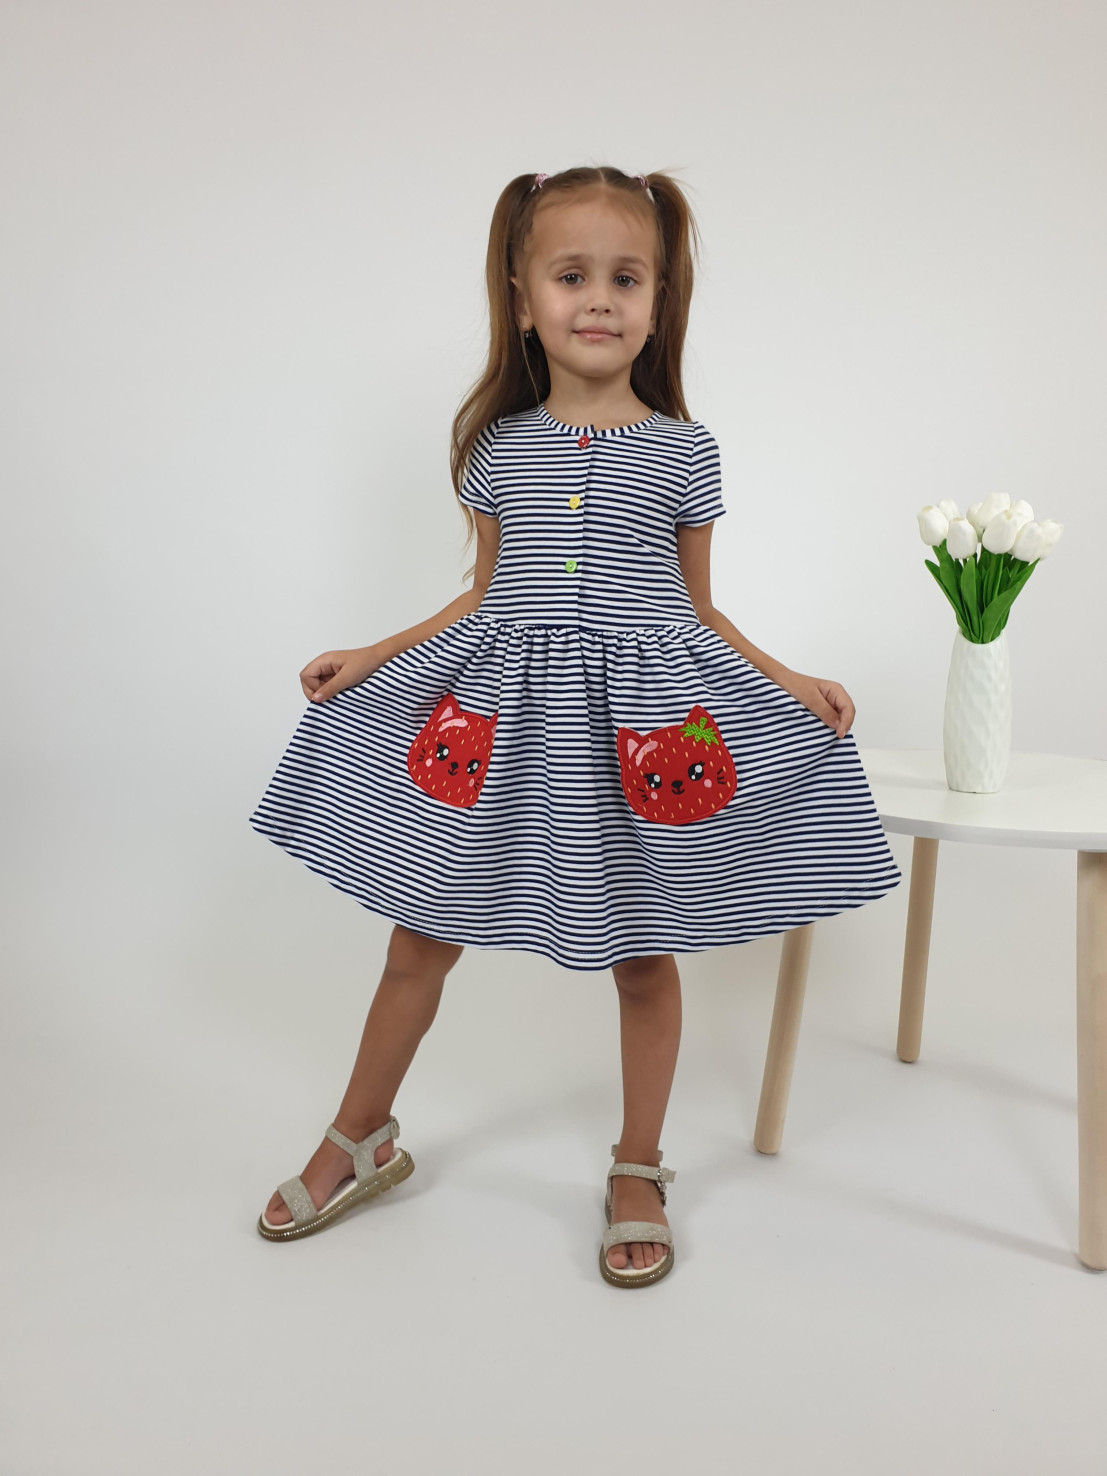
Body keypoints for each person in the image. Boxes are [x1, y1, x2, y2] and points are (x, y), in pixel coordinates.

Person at [248, 165, 902, 1287]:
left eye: (626, 278)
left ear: (658, 302)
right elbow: (484, 596)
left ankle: (638, 1166)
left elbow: (697, 608)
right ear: (522, 299)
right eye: (571, 275)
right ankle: (360, 1135)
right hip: (505, 723)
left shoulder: (684, 449)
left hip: (638, 732)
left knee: (644, 957)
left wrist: (787, 679)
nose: (599, 298)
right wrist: (377, 654)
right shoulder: (498, 447)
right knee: (418, 938)